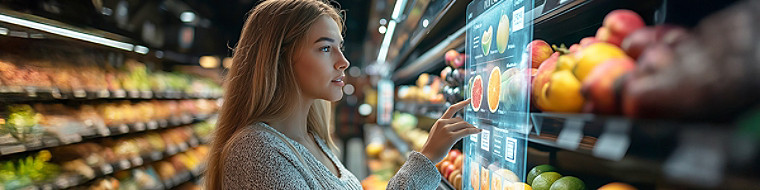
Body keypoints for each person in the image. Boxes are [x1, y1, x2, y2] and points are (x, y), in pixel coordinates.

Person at [204, 0, 481, 189]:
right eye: (325, 48)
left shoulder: (312, 140)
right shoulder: (256, 153)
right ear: (279, 58)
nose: (343, 61)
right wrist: (426, 157)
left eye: (340, 46)